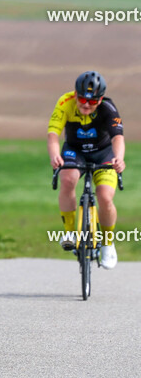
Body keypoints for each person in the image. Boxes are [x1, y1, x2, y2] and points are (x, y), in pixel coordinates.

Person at [47, 70, 125, 268]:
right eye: (82, 99)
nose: (86, 105)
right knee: (67, 180)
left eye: (93, 101)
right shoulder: (65, 102)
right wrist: (55, 155)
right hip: (75, 151)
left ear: (100, 100)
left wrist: (119, 159)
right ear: (75, 94)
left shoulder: (108, 108)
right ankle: (71, 232)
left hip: (103, 152)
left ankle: (108, 243)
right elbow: (53, 135)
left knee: (105, 196)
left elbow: (118, 137)